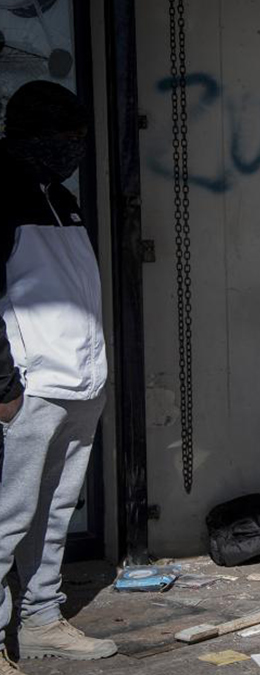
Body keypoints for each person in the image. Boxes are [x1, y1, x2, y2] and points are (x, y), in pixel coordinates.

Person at [0, 81, 114, 673]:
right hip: (30, 390)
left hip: (81, 384)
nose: (76, 148)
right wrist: (5, 389)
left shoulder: (62, 198)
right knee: (6, 519)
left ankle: (41, 620)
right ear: (32, 137)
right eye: (66, 138)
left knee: (53, 512)